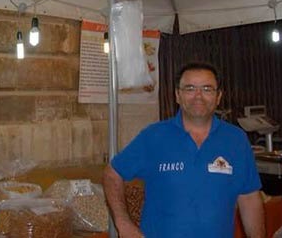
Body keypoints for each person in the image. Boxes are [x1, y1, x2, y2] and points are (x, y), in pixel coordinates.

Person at [103, 62, 265, 238]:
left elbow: (249, 197)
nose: (198, 96)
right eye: (190, 88)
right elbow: (112, 174)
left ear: (218, 96)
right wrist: (123, 223)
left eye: (207, 89)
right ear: (177, 95)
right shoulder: (154, 137)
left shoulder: (236, 140)